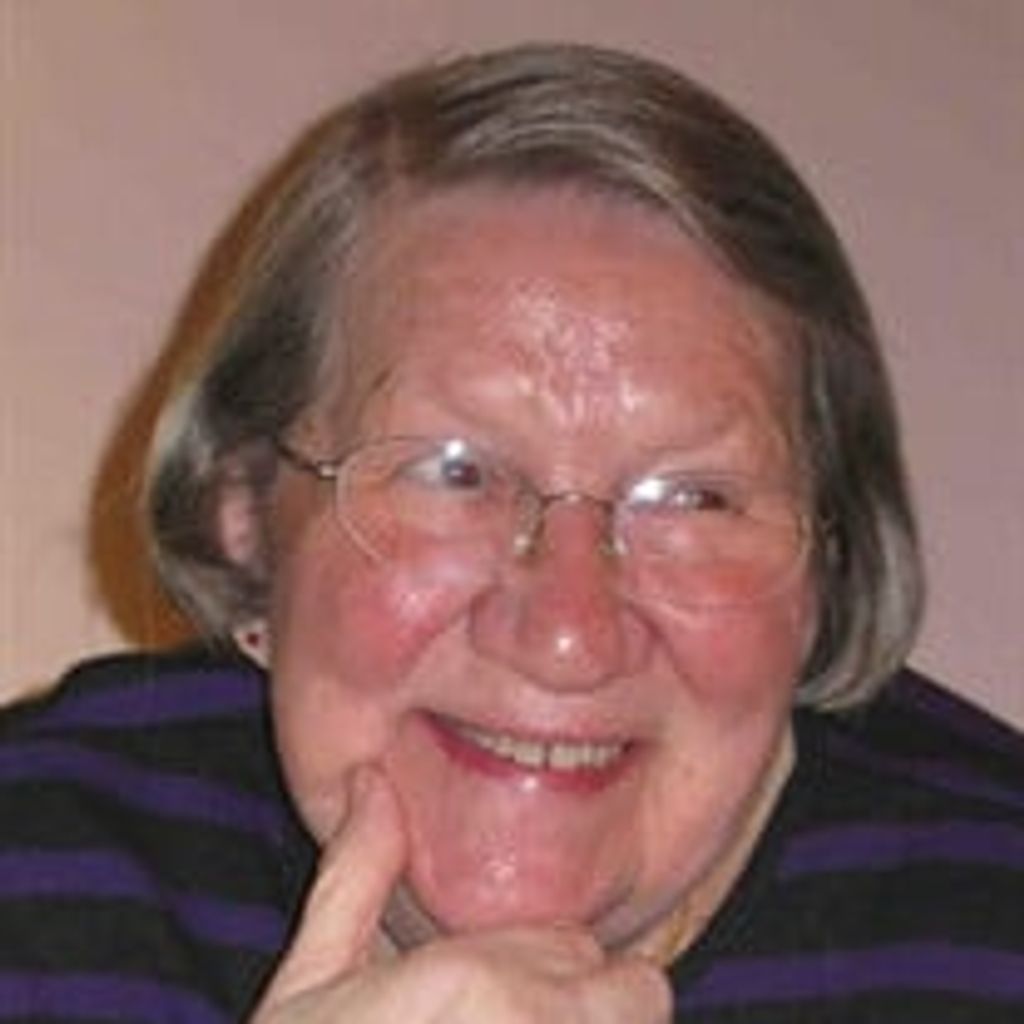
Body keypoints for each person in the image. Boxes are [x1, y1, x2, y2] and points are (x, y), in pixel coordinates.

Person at [0, 42, 1020, 1023]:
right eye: (455, 474)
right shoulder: (33, 871)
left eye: (692, 498)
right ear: (248, 519)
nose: (568, 633)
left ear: (827, 571)